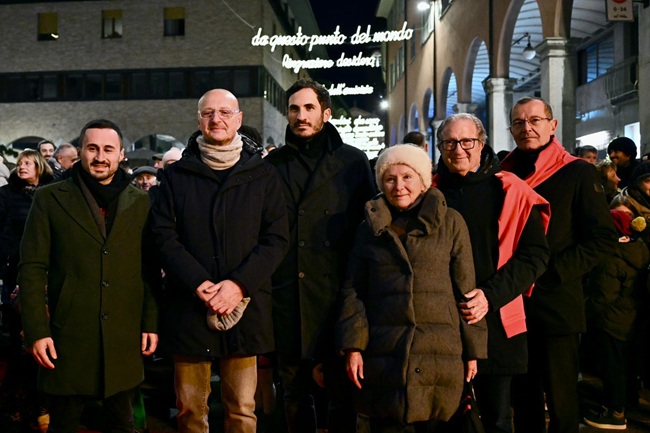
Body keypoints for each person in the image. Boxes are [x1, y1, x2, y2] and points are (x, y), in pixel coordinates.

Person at [150, 88, 289, 433]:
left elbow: (276, 239)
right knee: (189, 411)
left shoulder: (263, 174)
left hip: (245, 308)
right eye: (208, 113)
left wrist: (239, 285)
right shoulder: (176, 175)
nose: (217, 119)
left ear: (239, 120)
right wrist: (198, 282)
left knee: (242, 410)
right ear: (199, 121)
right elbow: (163, 236)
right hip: (189, 304)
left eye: (225, 112)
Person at [18, 119, 159, 433]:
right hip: (67, 336)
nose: (100, 156)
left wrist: (150, 322)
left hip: (122, 335)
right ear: (80, 151)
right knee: (64, 425)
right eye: (92, 148)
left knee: (123, 424)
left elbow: (148, 268)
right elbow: (31, 268)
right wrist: (37, 331)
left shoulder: (140, 202)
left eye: (108, 149)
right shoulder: (49, 198)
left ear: (121, 154)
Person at [337, 144, 487, 432]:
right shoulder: (368, 229)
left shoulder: (451, 222)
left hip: (440, 351)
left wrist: (473, 350)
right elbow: (353, 291)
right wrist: (353, 346)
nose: (399, 186)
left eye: (407, 177)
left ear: (423, 180)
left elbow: (466, 290)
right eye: (390, 179)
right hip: (384, 352)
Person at [501, 97, 618, 433]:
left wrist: (552, 273)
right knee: (523, 398)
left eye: (535, 120)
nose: (527, 128)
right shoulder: (503, 174)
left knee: (561, 398)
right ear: (511, 129)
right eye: (519, 122)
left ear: (552, 125)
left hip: (556, 302)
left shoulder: (577, 171)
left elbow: (602, 238)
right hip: (513, 303)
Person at [265, 78, 375, 433]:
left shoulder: (353, 162)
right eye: (294, 109)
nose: (301, 116)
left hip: (338, 294)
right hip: (289, 296)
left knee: (342, 394)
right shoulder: (273, 164)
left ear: (326, 113)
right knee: (294, 394)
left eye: (309, 108)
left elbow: (368, 229)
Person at [432, 113, 550, 433]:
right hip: (443, 324)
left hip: (497, 322)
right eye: (449, 143)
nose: (458, 149)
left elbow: (534, 256)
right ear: (440, 147)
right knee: (444, 418)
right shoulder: (429, 193)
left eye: (467, 141)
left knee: (497, 418)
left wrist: (489, 296)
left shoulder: (511, 189)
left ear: (482, 143)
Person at [0, 149, 53, 433]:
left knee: (43, 340)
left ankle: (42, 405)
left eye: (27, 163)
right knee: (19, 342)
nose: (21, 167)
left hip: (46, 276)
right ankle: (18, 406)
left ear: (40, 167)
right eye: (19, 163)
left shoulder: (52, 193)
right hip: (14, 273)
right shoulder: (6, 195)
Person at [583, 209, 650, 430]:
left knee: (613, 369)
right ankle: (627, 403)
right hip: (631, 321)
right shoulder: (640, 250)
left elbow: (602, 297)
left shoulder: (611, 258)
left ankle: (614, 413)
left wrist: (583, 313)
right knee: (627, 367)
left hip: (611, 322)